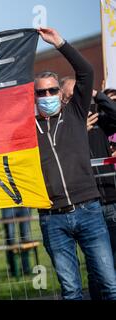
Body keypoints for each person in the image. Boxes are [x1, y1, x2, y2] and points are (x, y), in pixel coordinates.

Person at [34, 27, 116, 300]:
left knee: (109, 284)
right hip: (52, 219)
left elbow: (85, 72)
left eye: (51, 91)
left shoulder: (75, 111)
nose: (46, 97)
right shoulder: (29, 128)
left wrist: (59, 43)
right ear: (34, 97)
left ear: (60, 93)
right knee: (71, 292)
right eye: (41, 93)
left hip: (89, 211)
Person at [60, 81, 116, 299]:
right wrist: (77, 133)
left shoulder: (97, 115)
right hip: (86, 205)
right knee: (97, 269)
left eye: (80, 92)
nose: (76, 97)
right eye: (71, 95)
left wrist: (95, 94)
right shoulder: (60, 125)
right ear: (63, 99)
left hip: (111, 199)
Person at [1, 207, 32, 277]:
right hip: (7, 204)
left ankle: (26, 269)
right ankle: (13, 270)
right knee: (10, 239)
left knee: (25, 238)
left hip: (24, 203)